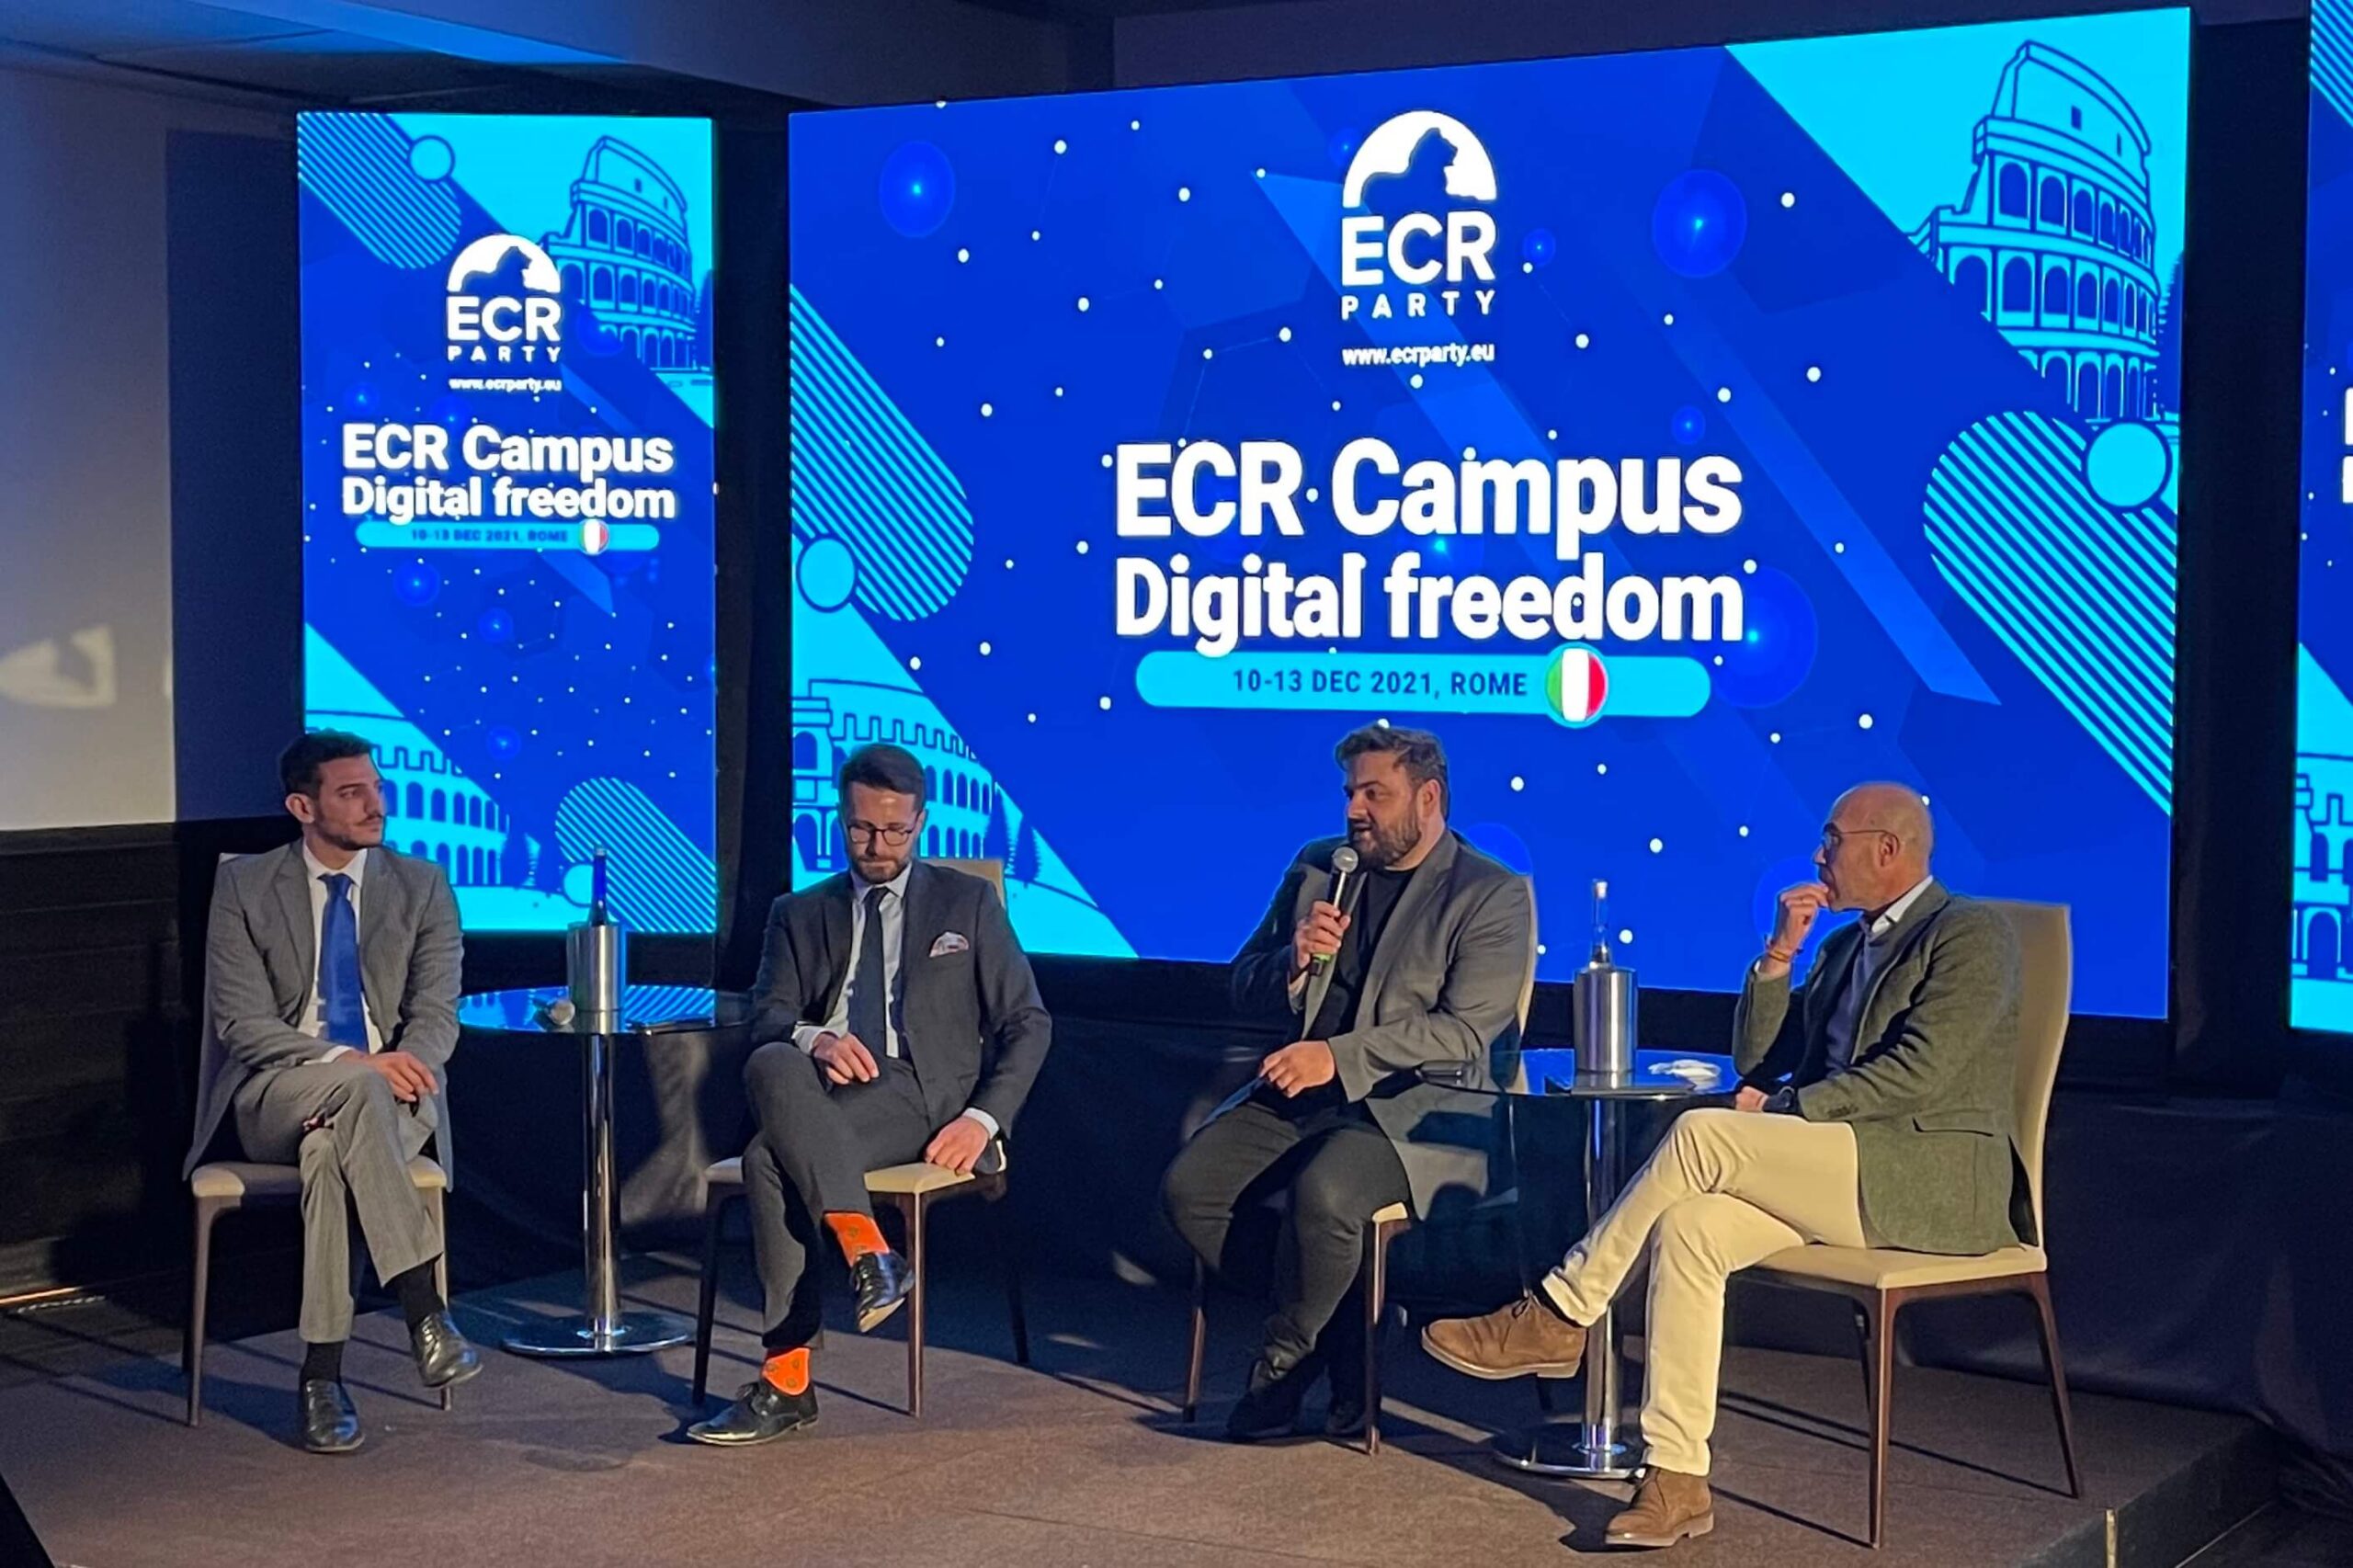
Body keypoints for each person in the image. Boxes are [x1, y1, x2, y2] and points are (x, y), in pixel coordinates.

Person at [1421, 783, 2030, 1549]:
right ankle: (1676, 1478)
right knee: (1692, 1226)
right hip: (1839, 1165)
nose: (1819, 856)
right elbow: (1757, 1058)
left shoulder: (1969, 933)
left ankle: (1562, 1312)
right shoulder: (1843, 948)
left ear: (1887, 849)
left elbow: (1921, 1073)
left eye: (1832, 840)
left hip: (1926, 1177)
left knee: (1705, 1134)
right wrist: (1779, 956)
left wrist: (1784, 1110)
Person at [1162, 723, 1533, 1442]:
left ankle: (1284, 1361)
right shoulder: (1317, 868)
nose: (1355, 811)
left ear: (1428, 799)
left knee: (1326, 1194)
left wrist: (1338, 1057)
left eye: (1375, 795)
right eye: (1350, 793)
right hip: (1301, 1092)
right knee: (1189, 1191)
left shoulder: (1489, 892)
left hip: (1418, 1108)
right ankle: (1348, 1332)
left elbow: (1465, 1031)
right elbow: (1241, 983)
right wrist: (1293, 963)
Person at [689, 742, 1053, 1446]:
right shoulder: (799, 911)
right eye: (861, 828)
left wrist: (983, 1120)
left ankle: (788, 1378)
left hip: (921, 1092)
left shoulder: (967, 902)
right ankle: (868, 1252)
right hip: (825, 1092)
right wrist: (818, 1041)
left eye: (894, 830)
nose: (877, 846)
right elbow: (767, 1016)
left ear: (920, 823)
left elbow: (1028, 1023)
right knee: (772, 1060)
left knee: (768, 1157)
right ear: (840, 817)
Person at [185, 731, 478, 1455]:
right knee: (351, 1091)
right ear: (302, 807)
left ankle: (321, 1379)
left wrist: (400, 1066)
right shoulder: (246, 887)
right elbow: (242, 1025)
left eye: (376, 788)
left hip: (393, 1095)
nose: (376, 805)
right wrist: (353, 1061)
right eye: (352, 793)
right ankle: (423, 1306)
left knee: (330, 1153)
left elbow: (436, 1014)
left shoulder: (423, 885)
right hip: (278, 1093)